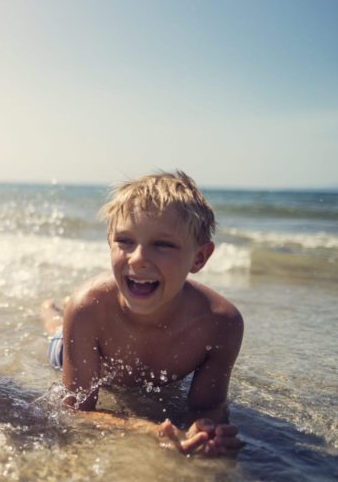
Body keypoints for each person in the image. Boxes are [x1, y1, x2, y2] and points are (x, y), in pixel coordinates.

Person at [43, 170, 244, 457]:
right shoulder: (88, 308)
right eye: (125, 241)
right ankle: (50, 309)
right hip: (74, 342)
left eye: (162, 244)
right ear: (109, 242)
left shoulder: (220, 324)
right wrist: (149, 430)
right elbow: (77, 410)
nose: (138, 258)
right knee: (56, 331)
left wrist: (203, 427)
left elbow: (207, 406)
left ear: (199, 257)